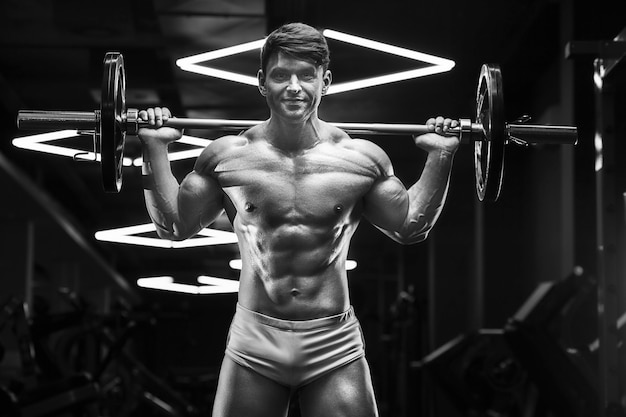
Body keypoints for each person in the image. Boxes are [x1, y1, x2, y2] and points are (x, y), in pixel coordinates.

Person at [137, 22, 459, 417]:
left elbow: (410, 227)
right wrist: (152, 149)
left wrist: (440, 156)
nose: (293, 87)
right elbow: (173, 227)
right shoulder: (227, 157)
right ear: (261, 82)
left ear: (325, 82)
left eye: (306, 76)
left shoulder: (360, 160)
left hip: (333, 342)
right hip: (255, 338)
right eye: (280, 75)